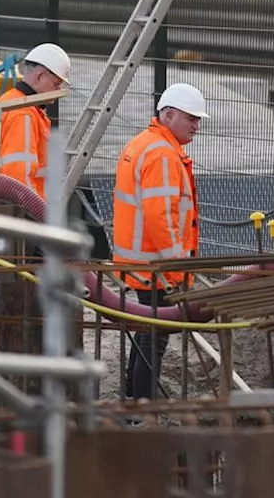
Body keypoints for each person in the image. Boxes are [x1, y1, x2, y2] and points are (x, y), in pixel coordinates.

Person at [112, 83, 207, 400]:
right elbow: (160, 218)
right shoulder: (163, 154)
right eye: (190, 118)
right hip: (157, 267)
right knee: (155, 339)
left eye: (198, 119)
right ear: (167, 115)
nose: (196, 126)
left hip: (142, 264)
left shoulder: (143, 144)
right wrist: (176, 271)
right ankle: (141, 406)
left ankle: (133, 398)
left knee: (146, 334)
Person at [0, 42, 72, 198]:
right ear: (39, 76)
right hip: (24, 209)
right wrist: (35, 215)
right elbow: (19, 175)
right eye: (56, 84)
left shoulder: (15, 103)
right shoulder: (23, 114)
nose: (58, 90)